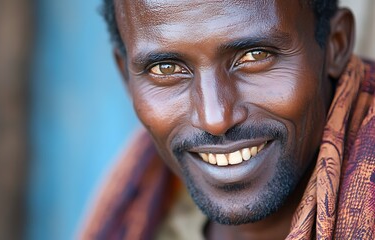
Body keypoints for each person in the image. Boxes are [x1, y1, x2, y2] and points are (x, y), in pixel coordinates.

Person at [82, 0, 375, 239]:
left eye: (254, 55)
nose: (215, 119)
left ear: (336, 45)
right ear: (126, 77)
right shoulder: (143, 211)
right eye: (166, 68)